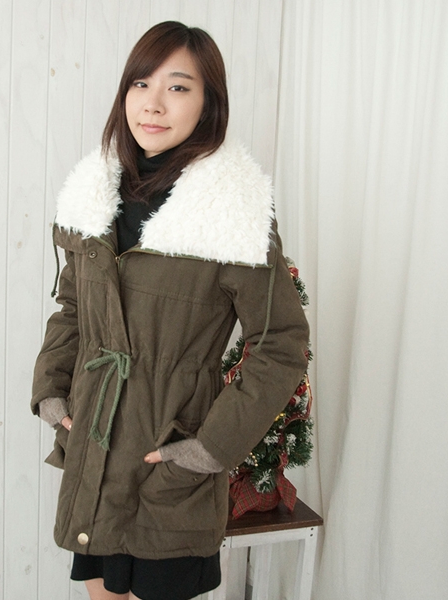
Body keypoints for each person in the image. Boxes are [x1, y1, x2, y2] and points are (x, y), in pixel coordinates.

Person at [31, 21, 309, 600]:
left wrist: (209, 448)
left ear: (209, 104)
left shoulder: (232, 213)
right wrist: (53, 391)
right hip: (97, 453)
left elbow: (281, 342)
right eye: (141, 84)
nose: (153, 104)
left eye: (178, 87)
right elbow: (73, 306)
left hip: (169, 461)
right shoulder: (94, 198)